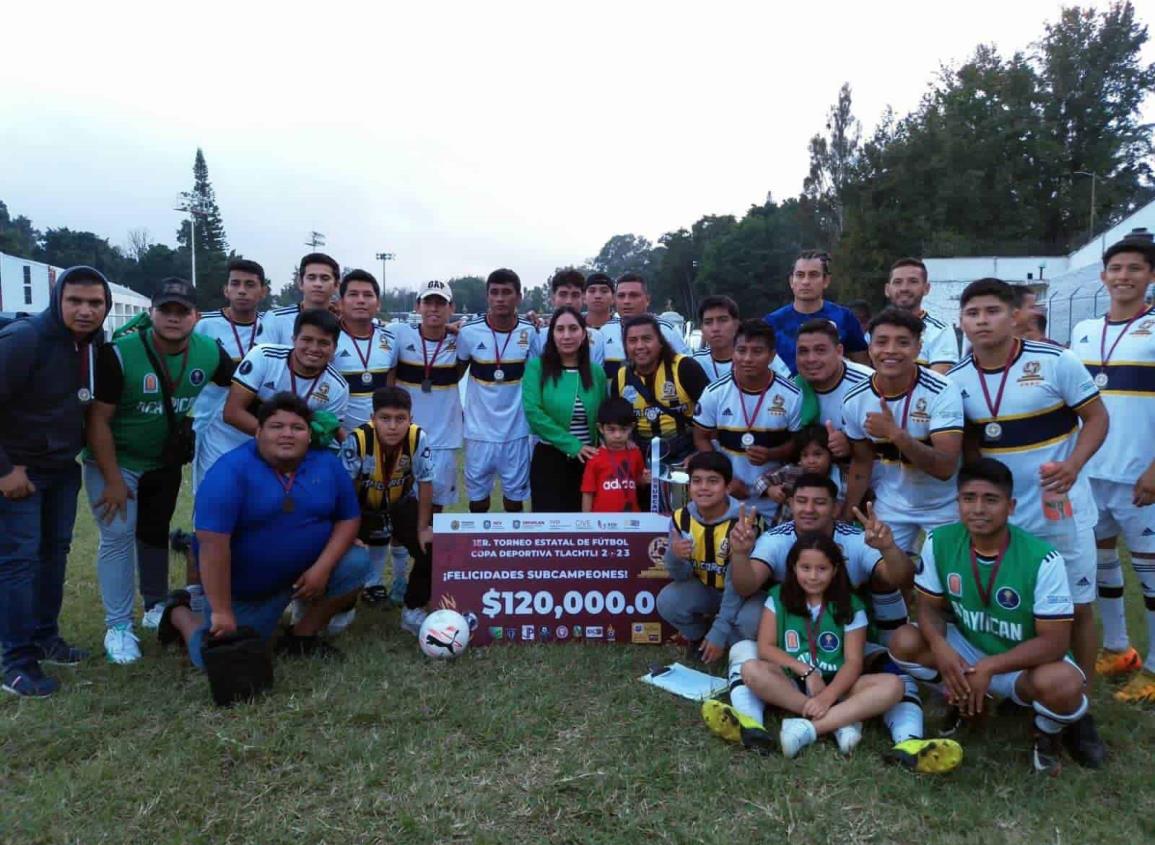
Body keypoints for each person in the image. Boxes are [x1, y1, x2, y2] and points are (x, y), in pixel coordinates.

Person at [948, 277, 1108, 766]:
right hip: (999, 517)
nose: (981, 321)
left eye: (992, 311)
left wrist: (1073, 465)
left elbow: (1097, 419)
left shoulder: (1055, 362)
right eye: (972, 312)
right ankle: (1015, 684)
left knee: (1078, 607)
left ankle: (1077, 710)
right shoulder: (956, 381)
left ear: (1014, 315)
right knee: (998, 600)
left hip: (1060, 508)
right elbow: (971, 448)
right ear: (962, 321)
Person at [709, 475, 952, 766]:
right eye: (801, 501)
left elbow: (899, 580)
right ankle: (756, 725)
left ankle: (908, 742)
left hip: (846, 655)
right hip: (796, 665)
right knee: (747, 658)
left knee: (895, 681)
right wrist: (739, 554)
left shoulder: (853, 564)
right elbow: (747, 587)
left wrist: (888, 547)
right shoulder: (777, 547)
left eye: (819, 502)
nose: (809, 509)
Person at [888, 459, 1095, 776]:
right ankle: (959, 698)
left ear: (1010, 506)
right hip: (968, 649)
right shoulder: (939, 541)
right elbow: (928, 607)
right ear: (957, 503)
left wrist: (989, 667)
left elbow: (1055, 642)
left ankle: (1047, 733)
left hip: (1021, 662)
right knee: (904, 641)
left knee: (1065, 684)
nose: (978, 509)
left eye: (991, 499)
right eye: (969, 499)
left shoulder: (1042, 558)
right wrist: (941, 647)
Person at [84, 278, 234, 663]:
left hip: (163, 461)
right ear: (151, 313)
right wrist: (114, 479)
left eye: (182, 311)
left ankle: (154, 604)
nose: (173, 318)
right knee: (117, 536)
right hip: (115, 459)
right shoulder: (120, 353)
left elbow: (241, 388)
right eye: (165, 310)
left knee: (153, 533)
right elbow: (98, 420)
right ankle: (118, 626)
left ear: (196, 317)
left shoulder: (209, 351)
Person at [158, 393, 368, 668]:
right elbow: (212, 546)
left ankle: (301, 636)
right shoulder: (229, 472)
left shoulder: (326, 464)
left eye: (297, 428)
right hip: (246, 591)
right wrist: (222, 612)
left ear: (309, 435)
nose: (287, 434)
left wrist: (323, 568)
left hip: (301, 574)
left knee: (356, 563)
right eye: (276, 426)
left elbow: (348, 518)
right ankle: (180, 612)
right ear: (258, 432)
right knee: (217, 661)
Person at [0, 266, 110, 697]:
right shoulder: (24, 340)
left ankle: (45, 637)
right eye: (75, 301)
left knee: (53, 556)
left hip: (62, 469)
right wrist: (5, 470)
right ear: (57, 299)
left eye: (95, 303)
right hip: (20, 472)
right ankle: (15, 661)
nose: (85, 311)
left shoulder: (92, 345)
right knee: (18, 563)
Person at [1070, 234, 1155, 703]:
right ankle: (1119, 648)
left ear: (1151, 276)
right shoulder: (1084, 330)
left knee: (1150, 576)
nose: (1123, 276)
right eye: (1116, 268)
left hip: (1139, 475)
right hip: (1092, 472)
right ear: (1103, 276)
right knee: (1103, 563)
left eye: (1134, 268)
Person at [739, 533, 905, 759]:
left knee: (893, 685)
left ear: (835, 570)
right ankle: (838, 721)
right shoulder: (778, 597)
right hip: (792, 683)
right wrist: (807, 672)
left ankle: (808, 728)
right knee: (751, 669)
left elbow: (854, 662)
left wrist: (827, 696)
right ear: (793, 568)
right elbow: (766, 648)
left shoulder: (851, 604)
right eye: (805, 568)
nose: (813, 576)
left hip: (840, 685)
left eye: (822, 569)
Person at [842, 307, 964, 553]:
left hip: (944, 505)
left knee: (941, 580)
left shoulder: (943, 390)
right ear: (870, 347)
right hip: (892, 502)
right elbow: (862, 463)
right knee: (880, 576)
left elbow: (945, 468)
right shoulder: (855, 398)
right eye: (882, 342)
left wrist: (894, 433)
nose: (890, 350)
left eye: (903, 343)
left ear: (918, 349)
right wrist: (845, 517)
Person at [341, 387, 434, 634]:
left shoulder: (417, 437)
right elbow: (345, 490)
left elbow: (426, 483)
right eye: (385, 418)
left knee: (432, 546)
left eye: (400, 419)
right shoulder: (357, 440)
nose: (393, 426)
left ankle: (412, 609)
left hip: (399, 503)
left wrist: (423, 528)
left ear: (410, 419)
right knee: (344, 553)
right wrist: (349, 532)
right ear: (373, 418)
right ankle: (343, 606)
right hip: (361, 508)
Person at [657, 452, 763, 663]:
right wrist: (675, 557)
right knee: (668, 601)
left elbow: (738, 585)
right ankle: (701, 639)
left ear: (728, 487)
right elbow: (681, 576)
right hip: (707, 589)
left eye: (713, 481)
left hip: (745, 595)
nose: (703, 487)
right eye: (697, 481)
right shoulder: (681, 518)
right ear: (689, 485)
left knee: (752, 620)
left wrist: (720, 631)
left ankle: (731, 645)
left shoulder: (745, 522)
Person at [693, 320, 802, 520]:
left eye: (757, 352)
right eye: (741, 350)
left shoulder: (791, 395)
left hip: (774, 497)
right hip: (728, 496)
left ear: (772, 356)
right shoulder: (714, 392)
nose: (747, 359)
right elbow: (701, 437)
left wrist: (771, 453)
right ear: (733, 352)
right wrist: (725, 478)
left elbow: (798, 444)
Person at [213, 308, 350, 466]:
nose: (314, 348)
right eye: (307, 340)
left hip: (284, 456)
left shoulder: (338, 388)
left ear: (334, 347)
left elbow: (325, 437)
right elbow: (232, 413)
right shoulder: (263, 356)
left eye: (323, 343)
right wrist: (280, 439)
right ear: (294, 339)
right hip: (229, 444)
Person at [457, 269, 539, 514]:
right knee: (478, 499)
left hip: (516, 432)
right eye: (494, 293)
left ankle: (510, 549)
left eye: (507, 292)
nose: (500, 298)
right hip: (478, 432)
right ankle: (478, 548)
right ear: (487, 297)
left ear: (519, 297)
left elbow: (537, 376)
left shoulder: (530, 331)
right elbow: (454, 376)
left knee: (514, 500)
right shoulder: (468, 332)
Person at [190, 258, 271, 489]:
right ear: (226, 290)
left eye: (250, 284)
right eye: (235, 284)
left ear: (263, 291)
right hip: (213, 426)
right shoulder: (205, 325)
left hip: (255, 424)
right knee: (214, 493)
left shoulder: (272, 326)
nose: (242, 291)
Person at [389, 280, 464, 512]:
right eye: (428, 302)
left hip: (444, 438)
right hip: (405, 436)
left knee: (435, 507)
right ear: (417, 306)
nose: (434, 308)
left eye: (440, 303)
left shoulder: (462, 339)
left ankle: (431, 549)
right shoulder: (397, 334)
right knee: (400, 504)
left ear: (451, 308)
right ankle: (402, 550)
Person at [522, 307, 605, 511]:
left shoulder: (596, 372)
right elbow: (534, 413)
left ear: (584, 334)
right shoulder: (536, 367)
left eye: (573, 328)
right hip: (550, 461)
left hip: (590, 461)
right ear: (552, 335)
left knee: (588, 528)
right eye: (560, 329)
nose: (566, 335)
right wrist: (572, 445)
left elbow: (603, 416)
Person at [611, 314, 709, 466]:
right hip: (640, 456)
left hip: (685, 454)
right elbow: (617, 422)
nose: (640, 346)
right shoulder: (621, 377)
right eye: (632, 340)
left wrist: (699, 455)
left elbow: (712, 415)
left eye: (647, 339)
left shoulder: (684, 367)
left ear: (660, 342)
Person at [764, 251, 869, 374]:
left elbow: (862, 367)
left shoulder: (844, 318)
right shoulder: (772, 323)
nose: (806, 281)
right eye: (800, 275)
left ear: (826, 280)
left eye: (813, 275)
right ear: (791, 281)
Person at [792, 318, 873, 464]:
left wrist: (853, 446)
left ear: (839, 351)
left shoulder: (868, 384)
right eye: (803, 351)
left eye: (820, 350)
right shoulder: (791, 389)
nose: (811, 359)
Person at [333, 269, 396, 430]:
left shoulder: (391, 339)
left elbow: (390, 387)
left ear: (378, 303)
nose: (361, 300)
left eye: (368, 295)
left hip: (378, 440)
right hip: (336, 441)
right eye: (353, 294)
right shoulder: (327, 339)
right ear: (340, 303)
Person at [600, 273, 689, 381]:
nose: (626, 301)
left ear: (647, 300)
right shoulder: (604, 332)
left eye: (633, 295)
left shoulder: (666, 330)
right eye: (621, 296)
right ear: (614, 300)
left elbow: (686, 370)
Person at [884, 257, 959, 374]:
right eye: (898, 282)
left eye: (913, 281)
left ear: (926, 288)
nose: (904, 288)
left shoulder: (940, 331)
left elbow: (939, 382)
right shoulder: (874, 330)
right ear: (887, 290)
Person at [692, 295, 790, 384]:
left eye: (722, 320)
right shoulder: (695, 363)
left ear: (736, 324)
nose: (715, 328)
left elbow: (790, 388)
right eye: (708, 322)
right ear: (701, 328)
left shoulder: (762, 356)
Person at [581, 397, 648, 513]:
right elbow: (587, 493)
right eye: (611, 430)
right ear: (600, 428)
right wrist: (587, 523)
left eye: (623, 429)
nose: (618, 435)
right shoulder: (595, 457)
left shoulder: (635, 452)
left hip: (632, 519)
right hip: (601, 521)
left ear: (631, 427)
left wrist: (644, 479)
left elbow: (637, 481)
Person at [764, 424, 841, 524]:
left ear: (831, 455)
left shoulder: (840, 478)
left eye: (817, 454)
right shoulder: (792, 472)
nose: (811, 461)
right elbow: (760, 481)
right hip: (786, 529)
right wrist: (770, 489)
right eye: (805, 455)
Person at [264, 253, 341, 346]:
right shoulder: (276, 319)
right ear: (300, 283)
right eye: (311, 278)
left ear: (336, 285)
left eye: (325, 278)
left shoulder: (345, 323)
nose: (318, 284)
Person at [538, 269, 605, 367]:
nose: (569, 301)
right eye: (563, 295)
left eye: (575, 295)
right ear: (553, 299)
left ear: (583, 299)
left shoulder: (597, 337)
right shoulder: (538, 337)